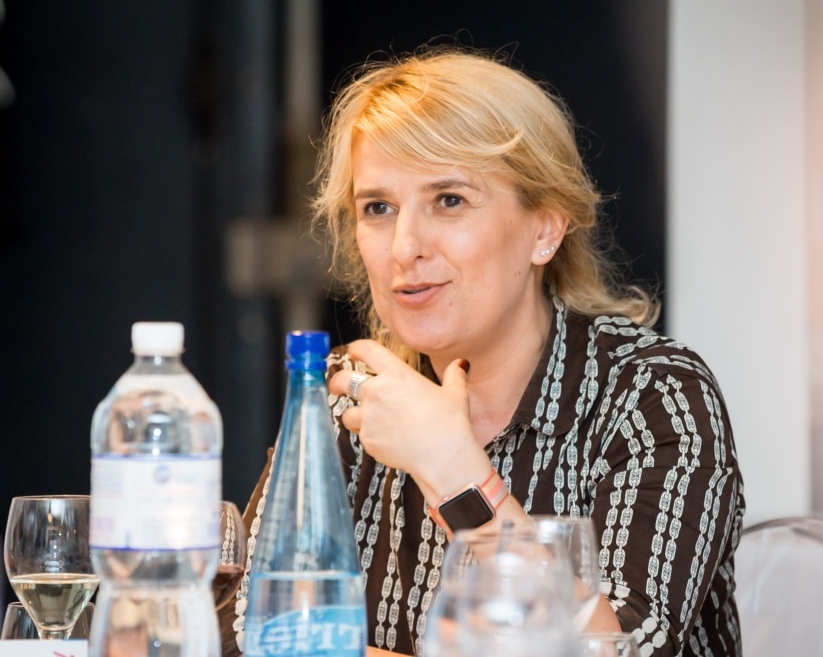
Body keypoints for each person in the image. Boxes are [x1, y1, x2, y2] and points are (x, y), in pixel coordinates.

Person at [222, 46, 744, 657]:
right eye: (378, 208)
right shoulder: (351, 397)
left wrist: (455, 473)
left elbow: (624, 651)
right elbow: (243, 631)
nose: (404, 247)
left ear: (544, 228)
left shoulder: (653, 396)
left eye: (449, 200)